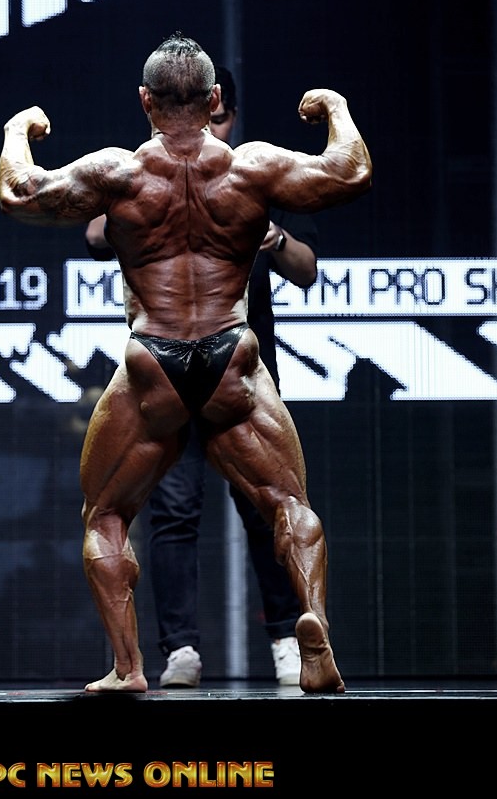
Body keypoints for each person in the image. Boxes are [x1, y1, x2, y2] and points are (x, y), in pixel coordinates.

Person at [0, 32, 372, 694]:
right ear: (213, 97)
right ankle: (312, 625)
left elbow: (20, 193)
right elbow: (350, 172)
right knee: (288, 501)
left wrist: (17, 130)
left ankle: (129, 668)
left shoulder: (120, 172)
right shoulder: (252, 167)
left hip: (155, 361)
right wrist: (336, 107)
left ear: (145, 101)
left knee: (106, 516)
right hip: (231, 355)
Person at [85, 65, 319, 687]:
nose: (203, 128)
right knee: (175, 512)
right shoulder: (140, 172)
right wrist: (137, 195)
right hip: (178, 374)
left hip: (234, 368)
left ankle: (288, 640)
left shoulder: (253, 176)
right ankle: (181, 649)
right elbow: (93, 234)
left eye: (215, 120)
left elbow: (306, 268)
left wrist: (273, 239)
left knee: (267, 507)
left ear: (227, 114)